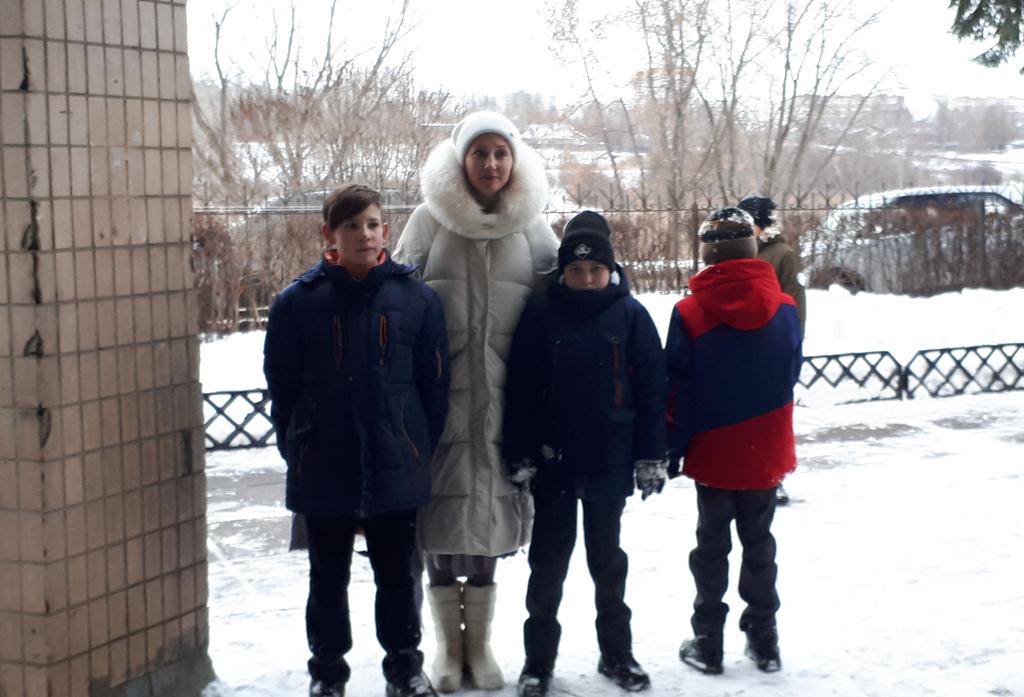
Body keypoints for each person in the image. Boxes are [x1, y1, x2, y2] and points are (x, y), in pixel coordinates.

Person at [392, 111, 559, 692]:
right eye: (479, 153)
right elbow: (396, 301)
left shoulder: (533, 226)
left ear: (514, 160)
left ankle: (480, 646)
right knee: (440, 518)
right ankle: (448, 647)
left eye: (500, 153)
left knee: (489, 518)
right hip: (438, 402)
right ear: (461, 159)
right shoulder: (427, 220)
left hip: (507, 402)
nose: (490, 164)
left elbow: (559, 306)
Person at [263, 184, 451, 697]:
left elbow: (434, 387)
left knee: (398, 576)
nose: (363, 235)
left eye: (371, 225)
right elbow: (282, 388)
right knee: (327, 578)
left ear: (385, 231)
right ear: (329, 234)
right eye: (351, 226)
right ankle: (327, 674)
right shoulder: (298, 304)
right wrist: (300, 446)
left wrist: (415, 446)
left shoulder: (417, 300)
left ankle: (404, 670)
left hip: (397, 462)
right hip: (324, 462)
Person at [502, 211, 667, 696]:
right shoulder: (541, 313)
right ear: (563, 272)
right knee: (548, 564)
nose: (587, 278)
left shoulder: (631, 315)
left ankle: (617, 654)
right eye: (576, 270)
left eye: (596, 269)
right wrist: (520, 451)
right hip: (554, 459)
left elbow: (652, 390)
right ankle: (538, 663)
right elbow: (522, 388)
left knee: (607, 562)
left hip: (610, 459)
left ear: (610, 269)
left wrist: (651, 455)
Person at [665, 207, 802, 677]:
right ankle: (765, 640)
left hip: (714, 447)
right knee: (759, 542)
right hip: (765, 443)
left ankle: (708, 641)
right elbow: (790, 371)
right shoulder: (785, 307)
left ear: (707, 256)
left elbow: (678, 390)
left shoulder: (689, 312)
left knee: (711, 545)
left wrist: (673, 446)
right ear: (751, 250)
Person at [736, 195, 806, 506]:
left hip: (769, 348)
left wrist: (790, 346)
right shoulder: (738, 250)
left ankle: (773, 479)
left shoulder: (781, 255)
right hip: (739, 346)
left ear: (762, 224)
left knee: (770, 420)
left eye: (749, 222)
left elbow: (794, 306)